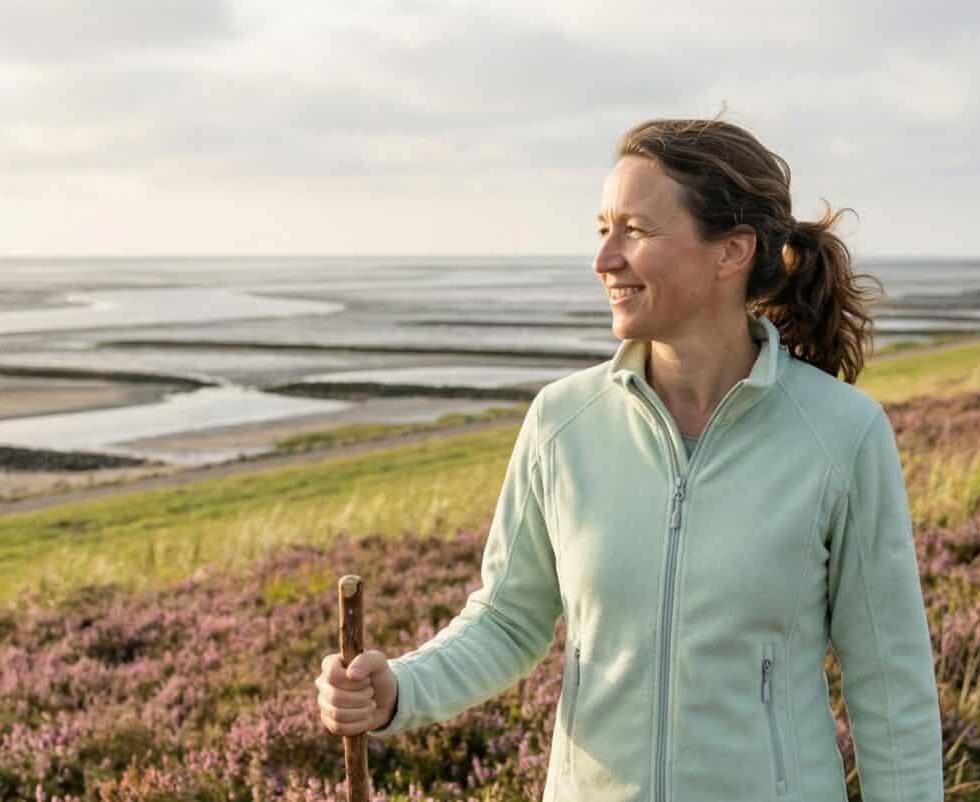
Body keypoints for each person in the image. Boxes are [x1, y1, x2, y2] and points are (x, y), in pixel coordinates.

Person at [314, 117, 944, 802]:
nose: (604, 259)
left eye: (635, 231)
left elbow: (890, 682)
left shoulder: (841, 434)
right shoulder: (562, 422)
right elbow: (506, 620)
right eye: (602, 229)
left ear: (731, 251)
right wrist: (400, 688)